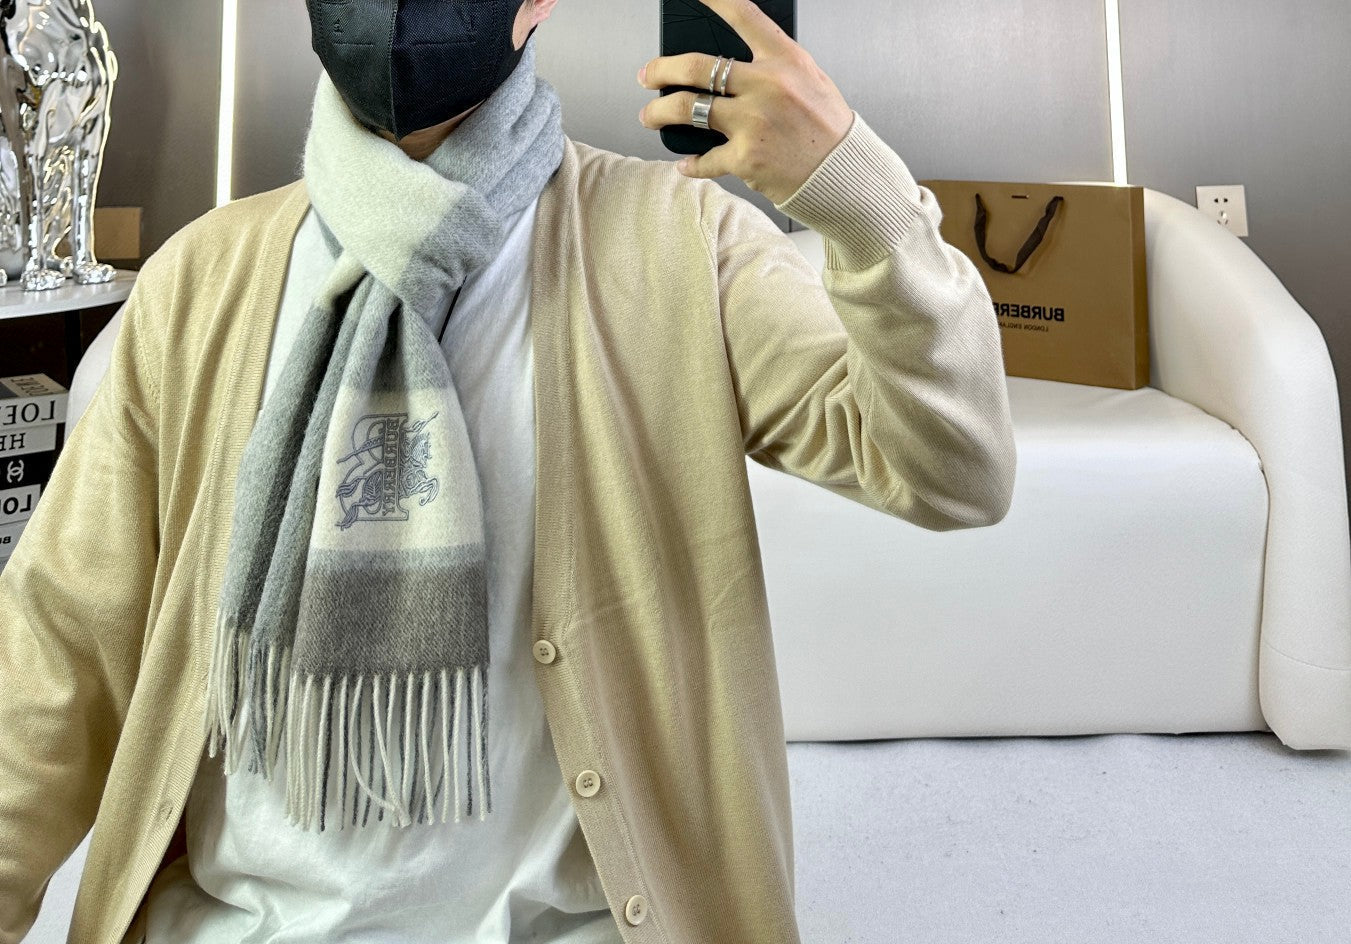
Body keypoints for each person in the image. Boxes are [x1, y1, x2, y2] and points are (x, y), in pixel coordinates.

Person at [0, 0, 1017, 942]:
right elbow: (56, 651)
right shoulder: (202, 277)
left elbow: (953, 470)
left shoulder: (680, 243)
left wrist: (860, 199)